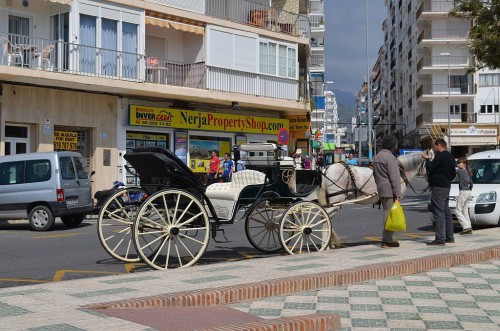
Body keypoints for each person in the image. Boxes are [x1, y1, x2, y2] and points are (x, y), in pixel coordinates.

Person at [422, 138, 457, 246]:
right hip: (447, 186)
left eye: (434, 146)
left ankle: (440, 238)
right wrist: (446, 179)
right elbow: (453, 174)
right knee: (446, 212)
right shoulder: (450, 157)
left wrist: (427, 160)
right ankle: (449, 237)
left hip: (438, 187)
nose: (433, 148)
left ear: (438, 145)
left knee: (438, 212)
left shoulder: (440, 155)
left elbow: (431, 168)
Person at [373, 135, 402, 248]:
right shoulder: (390, 158)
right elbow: (394, 177)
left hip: (381, 188)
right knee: (389, 215)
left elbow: (374, 174)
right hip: (389, 190)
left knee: (387, 212)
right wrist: (398, 193)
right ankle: (386, 240)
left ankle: (390, 238)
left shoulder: (378, 156)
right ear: (393, 146)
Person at [455, 157, 473, 235]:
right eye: (457, 163)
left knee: (457, 211)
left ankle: (466, 227)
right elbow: (471, 184)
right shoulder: (468, 172)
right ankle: (469, 227)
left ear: (464, 164)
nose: (458, 164)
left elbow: (453, 170)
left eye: (459, 163)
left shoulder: (461, 171)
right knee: (465, 211)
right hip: (468, 192)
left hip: (463, 192)